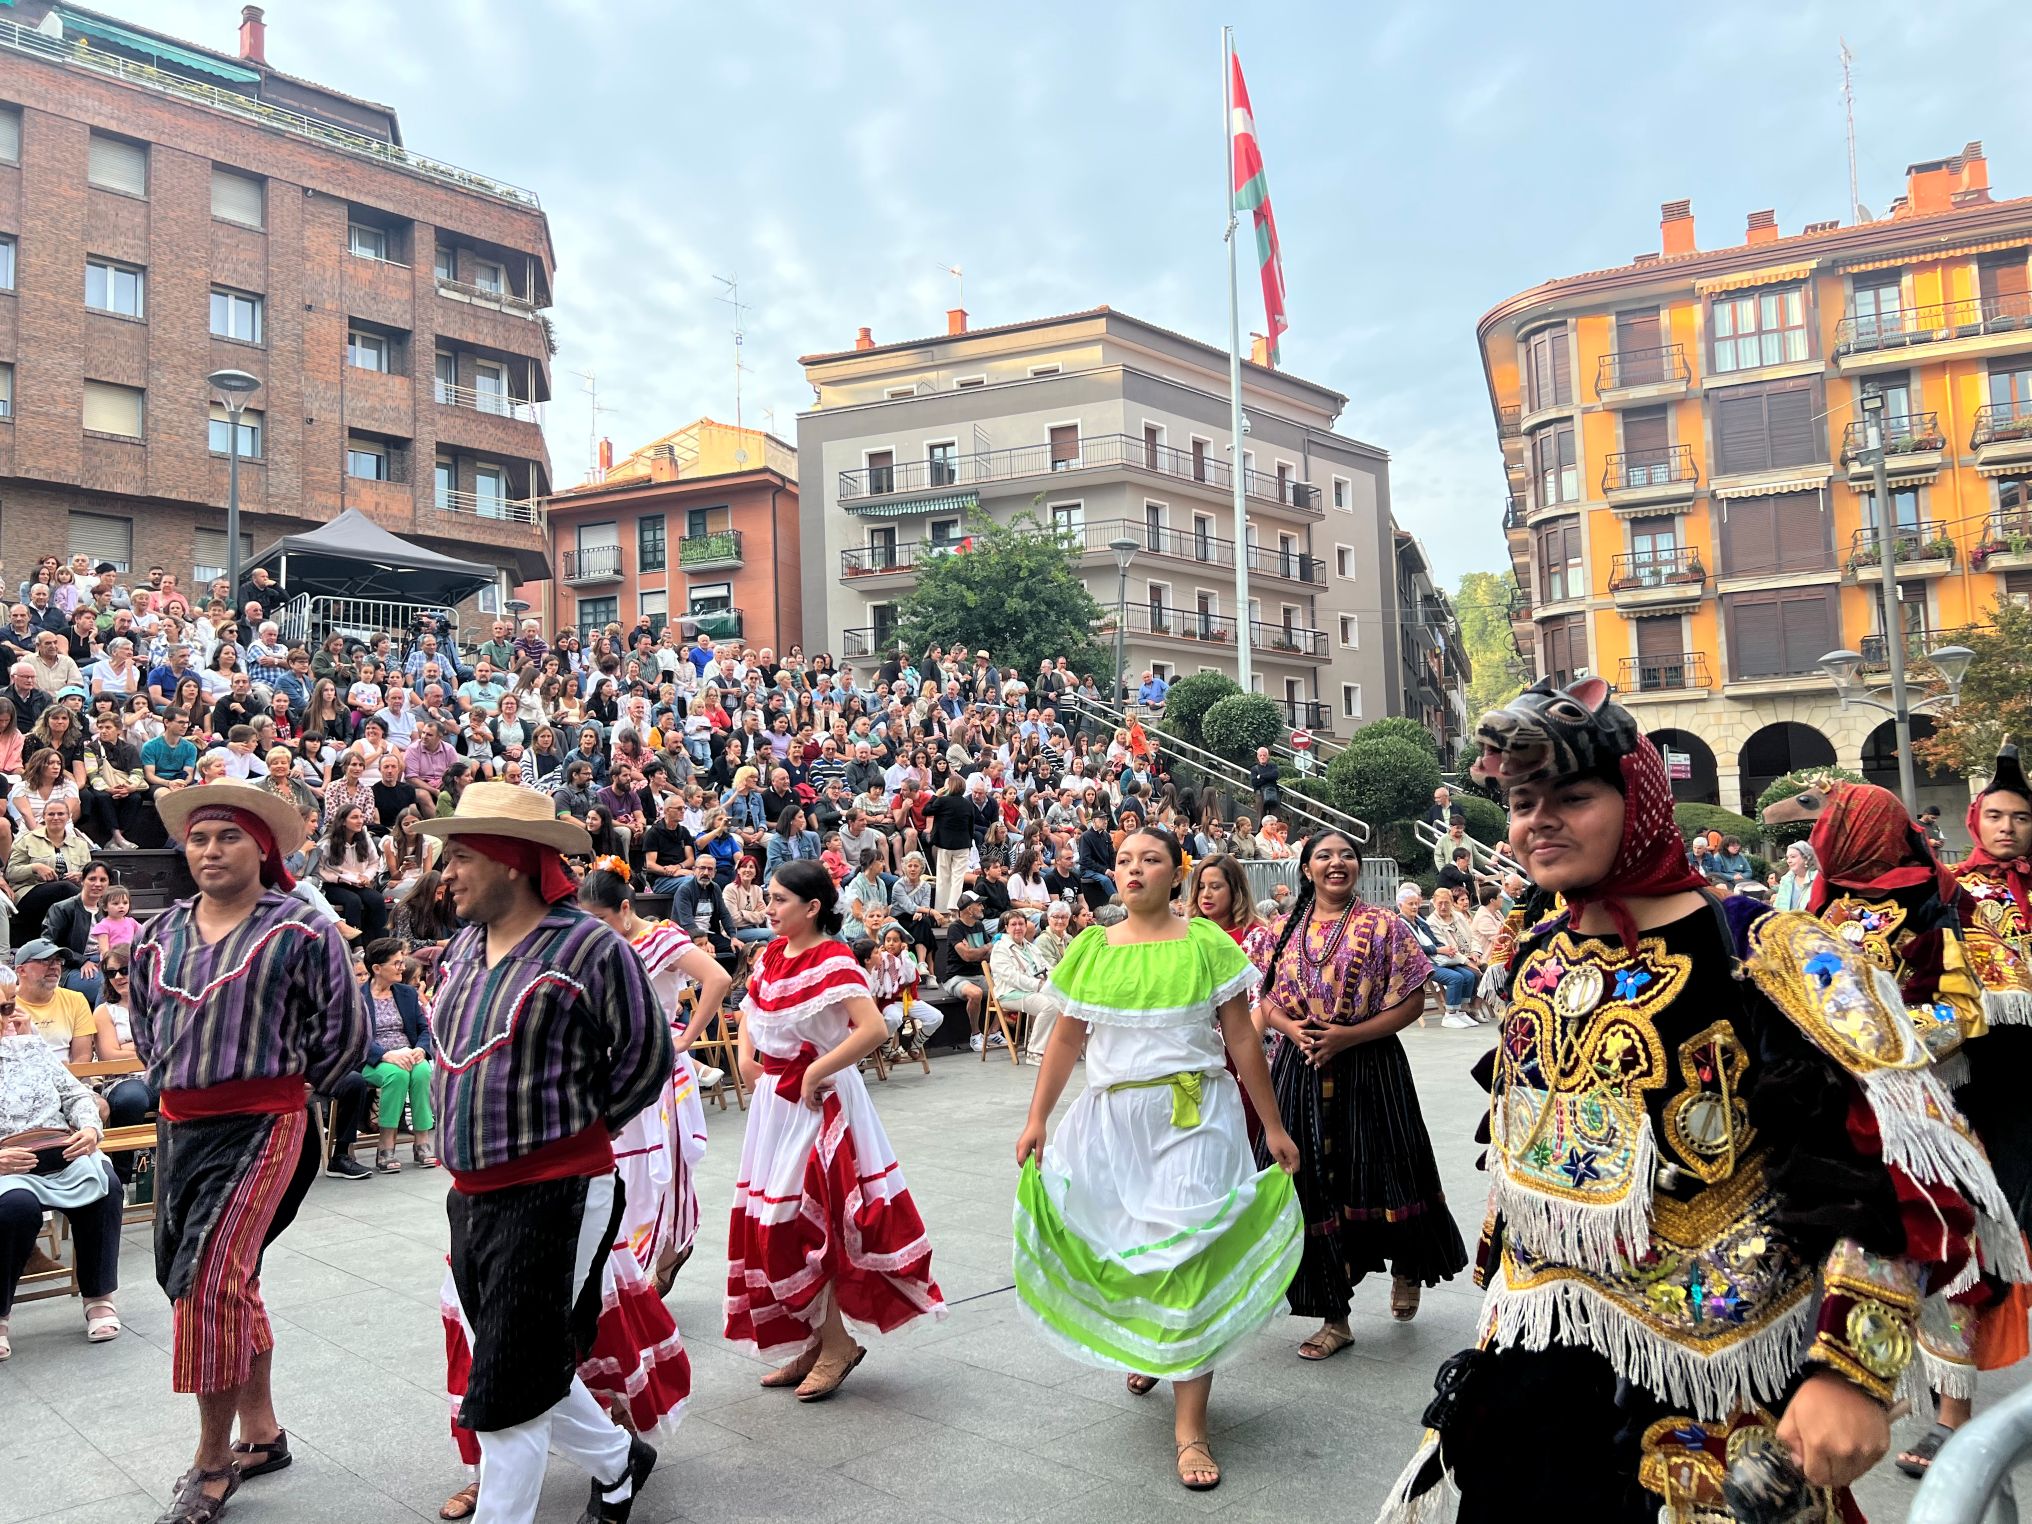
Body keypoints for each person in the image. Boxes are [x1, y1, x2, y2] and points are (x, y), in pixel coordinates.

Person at [1379, 678, 2015, 1524]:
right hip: (1535, 1362)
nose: (1539, 822)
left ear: (1639, 801)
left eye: (1572, 798)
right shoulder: (1536, 951)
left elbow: (1901, 1159)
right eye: (1523, 803)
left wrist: (1850, 1371)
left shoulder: (1767, 947)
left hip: (1719, 1385)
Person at [1013, 826, 1300, 1492]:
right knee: (1126, 1246)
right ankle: (1154, 1343)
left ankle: (1190, 1425)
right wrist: (1037, 1118)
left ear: (1177, 873)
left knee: (1188, 1251)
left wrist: (1272, 1125)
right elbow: (1066, 1041)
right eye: (1123, 860)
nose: (1134, 869)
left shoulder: (1207, 943)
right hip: (1113, 1120)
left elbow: (1241, 1038)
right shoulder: (1091, 948)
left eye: (1150, 859)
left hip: (1196, 1114)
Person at [419, 782, 674, 1524]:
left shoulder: (589, 947)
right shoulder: (464, 946)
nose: (446, 873)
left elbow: (646, 1057)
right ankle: (619, 1461)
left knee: (508, 1386)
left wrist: (572, 1132)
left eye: (460, 856)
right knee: (517, 1356)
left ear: (511, 860)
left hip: (557, 1190)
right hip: (472, 1193)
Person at [131, 780, 368, 1524]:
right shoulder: (156, 935)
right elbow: (147, 1031)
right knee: (214, 1278)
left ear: (262, 848)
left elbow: (345, 1035)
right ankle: (262, 1434)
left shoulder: (303, 930)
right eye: (199, 838)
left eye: (228, 836)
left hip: (265, 1124)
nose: (210, 851)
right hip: (180, 1125)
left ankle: (212, 1464)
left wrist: (285, 1090)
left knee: (208, 1286)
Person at [726, 858, 946, 1398]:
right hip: (777, 1101)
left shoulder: (834, 959)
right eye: (769, 898)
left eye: (778, 899)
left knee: (797, 1223)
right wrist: (748, 1057)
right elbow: (750, 1008)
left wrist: (816, 1070)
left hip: (819, 1101)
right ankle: (820, 1340)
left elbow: (871, 1029)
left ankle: (838, 1344)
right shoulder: (773, 953)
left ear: (812, 907)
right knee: (778, 1222)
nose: (769, 908)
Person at [1256, 829, 1466, 1353]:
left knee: (1389, 1171)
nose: (1336, 863)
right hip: (1302, 1068)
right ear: (1306, 868)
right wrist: (1291, 1029)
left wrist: (1347, 1036)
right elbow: (1266, 1000)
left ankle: (1407, 1266)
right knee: (1311, 1183)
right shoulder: (1281, 929)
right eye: (1324, 856)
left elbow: (1413, 1001)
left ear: (1358, 867)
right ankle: (1336, 1317)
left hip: (1371, 1065)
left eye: (1347, 855)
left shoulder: (1385, 925)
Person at [575, 861, 731, 1289]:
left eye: (602, 918)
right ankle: (630, 1269)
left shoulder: (661, 938)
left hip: (652, 1066)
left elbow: (717, 978)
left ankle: (655, 1257)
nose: (595, 928)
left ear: (625, 909)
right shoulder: (601, 946)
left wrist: (686, 1038)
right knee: (616, 1169)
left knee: (650, 1168)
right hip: (609, 1066)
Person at [0, 967, 124, 1359]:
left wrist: (89, 1128)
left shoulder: (28, 1044)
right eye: (3, 1009)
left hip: (58, 1148)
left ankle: (99, 1297)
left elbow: (75, 1093)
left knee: (104, 1184)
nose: (12, 1016)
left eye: (12, 1005)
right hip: (7, 1163)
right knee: (16, 1207)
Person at [356, 938, 437, 1174]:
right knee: (397, 1075)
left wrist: (420, 1049)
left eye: (402, 962)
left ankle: (422, 1142)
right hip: (373, 1059)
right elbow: (355, 1037)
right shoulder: (358, 997)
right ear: (377, 968)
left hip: (409, 1055)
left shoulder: (407, 993)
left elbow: (424, 1029)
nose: (403, 967)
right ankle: (386, 1144)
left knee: (422, 1072)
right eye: (397, 963)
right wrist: (385, 1055)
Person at [1394, 882, 1479, 1025]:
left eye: (1416, 903)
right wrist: (1438, 950)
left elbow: (1434, 940)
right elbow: (1414, 948)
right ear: (1400, 905)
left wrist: (1446, 949)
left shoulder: (1420, 921)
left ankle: (1461, 1011)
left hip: (1435, 959)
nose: (1415, 907)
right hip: (1418, 964)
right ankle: (1450, 1015)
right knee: (1455, 978)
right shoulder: (1399, 924)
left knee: (1469, 975)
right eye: (1410, 904)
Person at [990, 908, 1064, 1065]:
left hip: (1034, 990)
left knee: (1066, 999)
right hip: (1010, 993)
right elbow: (1012, 978)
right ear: (1006, 928)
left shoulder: (1030, 947)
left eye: (1021, 924)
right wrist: (1038, 985)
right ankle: (1035, 1051)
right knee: (1050, 1005)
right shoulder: (1000, 948)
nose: (1018, 928)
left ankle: (1060, 1048)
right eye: (1013, 924)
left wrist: (1057, 981)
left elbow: (1047, 968)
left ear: (1026, 926)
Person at [938, 892, 994, 1050]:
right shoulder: (955, 928)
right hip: (957, 977)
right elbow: (967, 956)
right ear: (969, 909)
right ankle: (975, 1035)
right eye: (979, 904)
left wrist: (978, 951)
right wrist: (985, 948)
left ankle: (993, 1031)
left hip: (979, 974)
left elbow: (989, 954)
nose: (982, 907)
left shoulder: (979, 926)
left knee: (1007, 989)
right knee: (975, 993)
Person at [1773, 840, 1821, 911]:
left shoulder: (1818, 879)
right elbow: (1778, 908)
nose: (1789, 861)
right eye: (1787, 858)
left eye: (1793, 857)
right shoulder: (1786, 880)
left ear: (1806, 859)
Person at [1249, 745, 1282, 819]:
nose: (1262, 757)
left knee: (1276, 817)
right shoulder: (1254, 769)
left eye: (1264, 755)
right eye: (1260, 755)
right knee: (1261, 817)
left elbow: (1275, 776)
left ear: (1268, 756)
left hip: (1273, 793)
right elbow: (1255, 783)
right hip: (1260, 794)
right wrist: (1269, 778)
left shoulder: (1273, 766)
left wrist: (1261, 776)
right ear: (1257, 757)